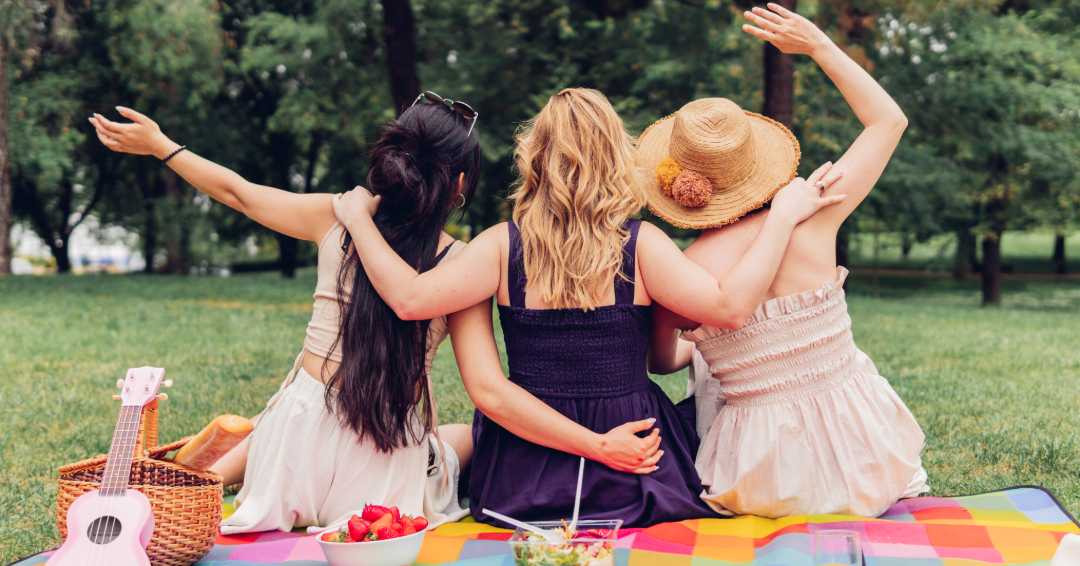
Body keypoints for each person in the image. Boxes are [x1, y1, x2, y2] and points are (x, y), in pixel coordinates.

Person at [330, 87, 847, 527]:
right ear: (617, 159)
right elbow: (730, 308)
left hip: (522, 468)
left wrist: (357, 220)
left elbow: (415, 305)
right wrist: (780, 218)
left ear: (533, 158)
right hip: (635, 457)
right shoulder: (643, 246)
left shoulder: (497, 248)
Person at [88, 96, 483, 533]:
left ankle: (187, 480)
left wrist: (161, 144)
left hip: (294, 451)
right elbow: (483, 385)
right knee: (463, 436)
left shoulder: (334, 217)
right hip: (381, 475)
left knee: (271, 417)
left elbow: (238, 193)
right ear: (459, 183)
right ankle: (193, 476)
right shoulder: (463, 263)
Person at [646, 4, 929, 519]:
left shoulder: (681, 266)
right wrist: (819, 46)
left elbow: (660, 362)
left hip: (759, 474)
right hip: (866, 457)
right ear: (756, 163)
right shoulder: (813, 211)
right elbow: (889, 120)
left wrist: (731, 350)